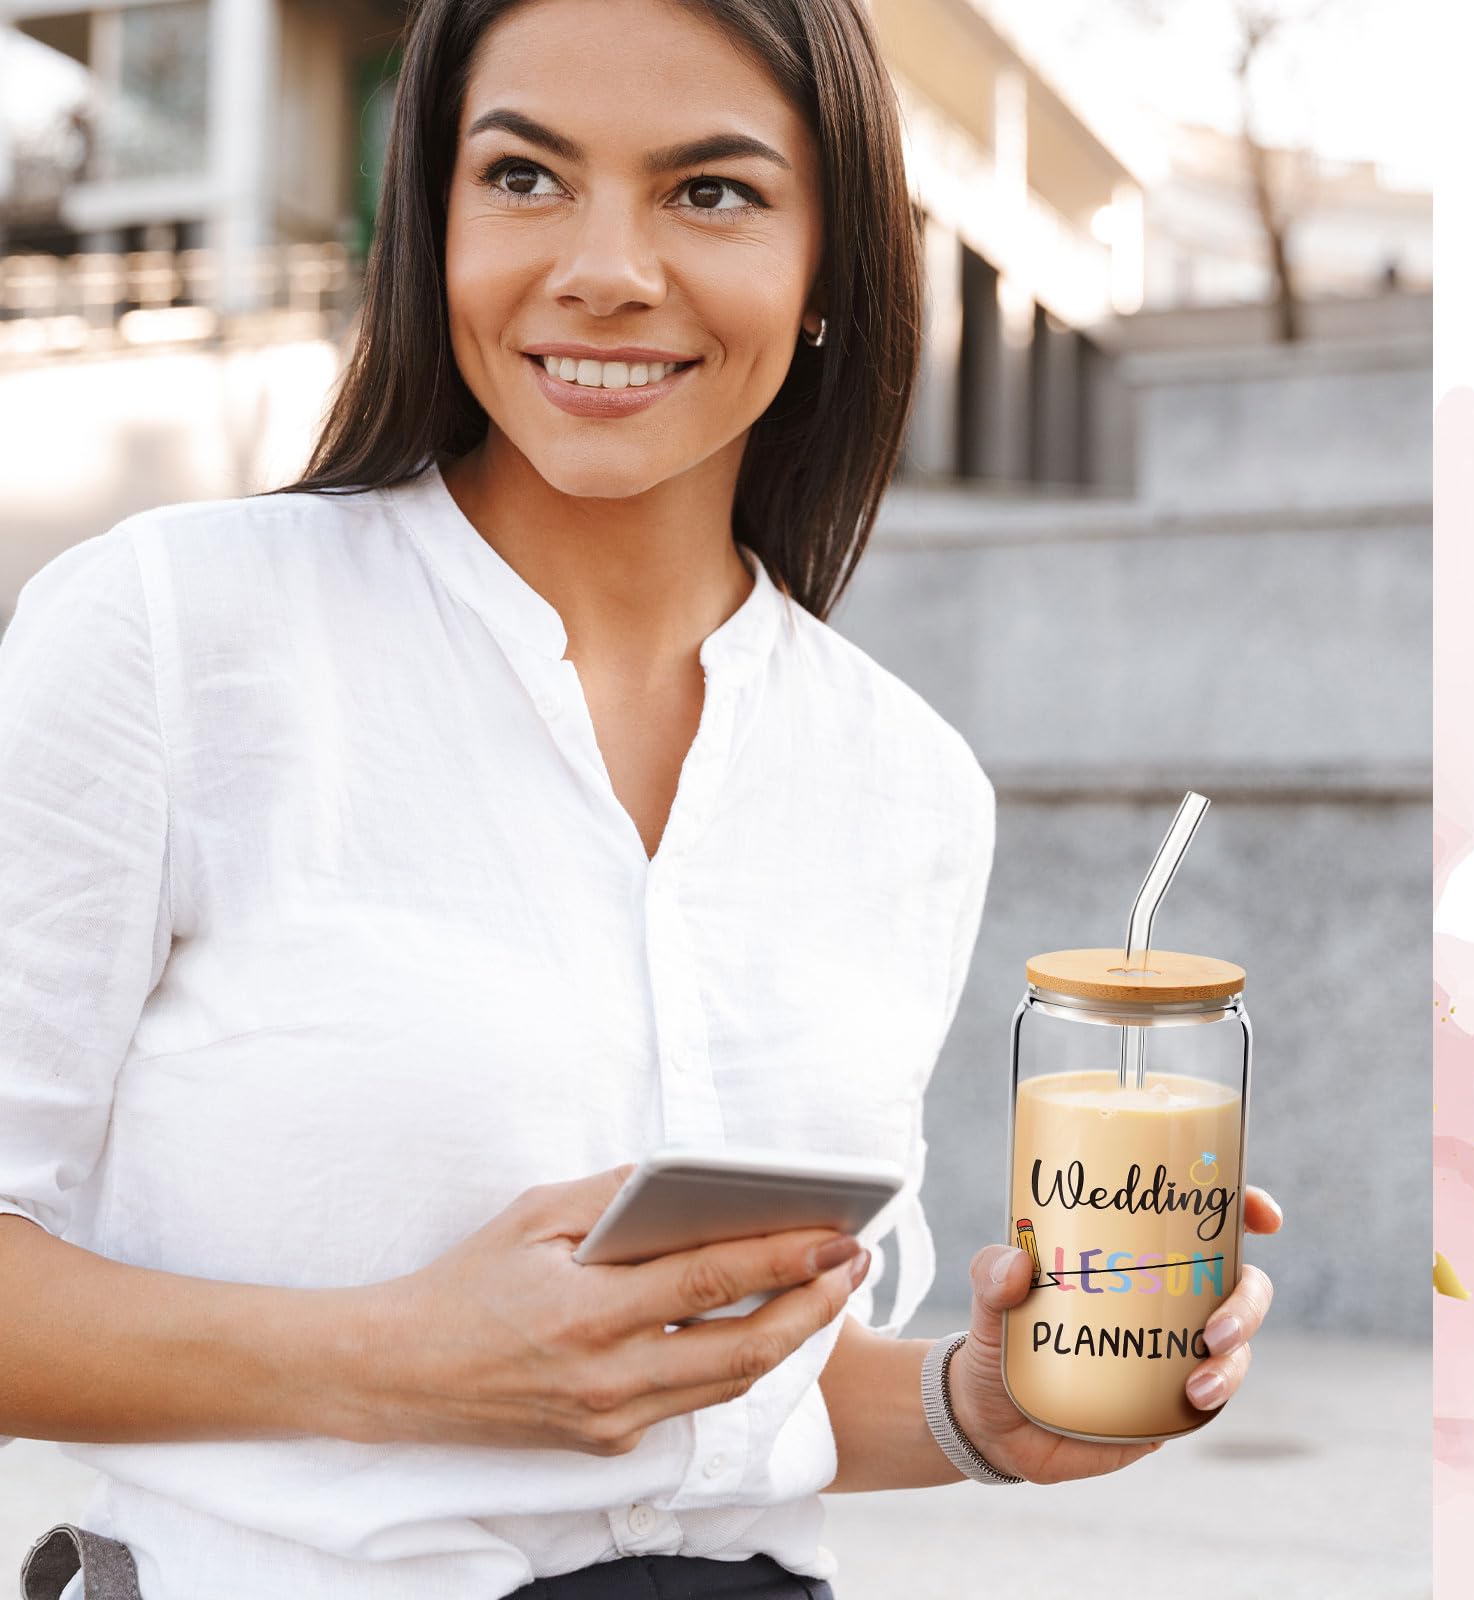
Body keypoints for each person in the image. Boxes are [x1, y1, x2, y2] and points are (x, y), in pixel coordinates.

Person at [0, 1, 1281, 1597]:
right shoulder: (169, 636)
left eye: (712, 190)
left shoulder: (904, 783)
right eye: (526, 176)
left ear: (831, 269)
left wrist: (982, 1399)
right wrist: (393, 1361)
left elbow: (744, 1401)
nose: (603, 264)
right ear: (433, 221)